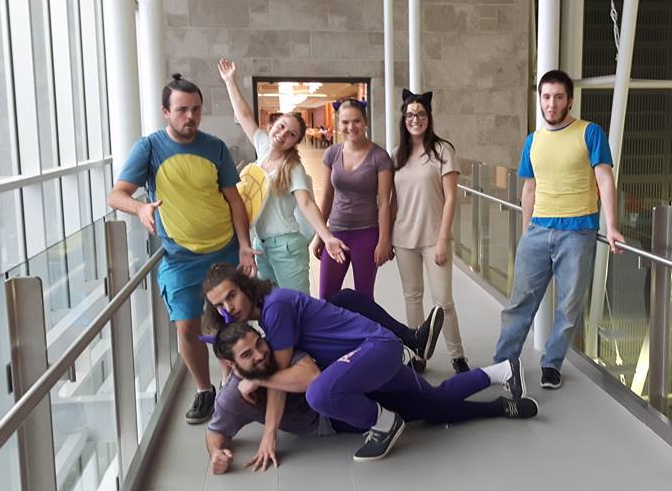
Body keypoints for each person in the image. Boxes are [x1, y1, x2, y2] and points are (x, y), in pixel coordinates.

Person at [202, 264, 528, 462]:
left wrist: (268, 431)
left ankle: (384, 423)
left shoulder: (275, 309)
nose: (228, 308)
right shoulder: (268, 314)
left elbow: (279, 376)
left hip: (374, 350)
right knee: (434, 402)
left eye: (231, 296)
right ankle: (503, 373)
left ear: (245, 287)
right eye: (220, 305)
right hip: (365, 360)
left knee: (319, 393)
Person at [108, 74, 256, 425]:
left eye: (196, 109)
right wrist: (140, 208)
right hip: (181, 257)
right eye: (182, 110)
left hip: (224, 249)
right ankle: (205, 389)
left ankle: (230, 385)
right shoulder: (149, 148)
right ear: (166, 112)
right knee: (187, 327)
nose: (191, 116)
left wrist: (245, 246)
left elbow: (235, 200)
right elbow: (116, 195)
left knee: (228, 321)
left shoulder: (215, 147)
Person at [206, 322, 538, 474]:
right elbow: (215, 432)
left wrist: (258, 378)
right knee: (431, 405)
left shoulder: (282, 354)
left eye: (259, 344)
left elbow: (311, 378)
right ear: (231, 365)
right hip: (334, 421)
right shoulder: (232, 398)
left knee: (432, 402)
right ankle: (499, 387)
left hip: (348, 390)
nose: (260, 355)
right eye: (247, 355)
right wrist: (217, 454)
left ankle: (499, 382)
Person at [493, 69, 626, 390]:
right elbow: (529, 189)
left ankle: (551, 363)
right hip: (538, 231)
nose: (551, 104)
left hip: (577, 233)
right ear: (540, 99)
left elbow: (605, 179)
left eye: (558, 97)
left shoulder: (590, 132)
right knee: (519, 304)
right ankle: (503, 364)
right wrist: (526, 231)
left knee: (568, 306)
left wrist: (611, 226)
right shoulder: (533, 141)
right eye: (546, 97)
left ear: (570, 101)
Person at [217, 59, 349, 293]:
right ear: (272, 125)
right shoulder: (263, 146)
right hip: (261, 245)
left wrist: (327, 237)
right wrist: (230, 81)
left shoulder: (293, 167)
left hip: (287, 247)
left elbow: (306, 204)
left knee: (297, 305)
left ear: (295, 142)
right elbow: (244, 116)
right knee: (271, 303)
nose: (283, 134)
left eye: (291, 134)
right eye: (281, 127)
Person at [391, 89, 468, 374]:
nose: (415, 119)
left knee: (443, 301)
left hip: (435, 238)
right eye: (410, 114)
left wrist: (444, 240)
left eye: (421, 114)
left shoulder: (443, 151)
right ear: (403, 119)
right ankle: (418, 354)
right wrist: (386, 238)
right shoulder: (396, 155)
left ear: (429, 117)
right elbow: (391, 201)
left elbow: (451, 197)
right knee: (412, 297)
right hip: (403, 238)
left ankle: (458, 356)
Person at [311, 99, 394, 300]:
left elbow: (384, 202)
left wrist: (384, 240)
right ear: (338, 123)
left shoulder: (379, 156)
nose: (351, 127)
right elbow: (327, 197)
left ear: (365, 122)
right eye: (345, 122)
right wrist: (320, 235)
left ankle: (365, 324)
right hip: (335, 233)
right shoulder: (332, 153)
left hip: (366, 234)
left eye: (356, 121)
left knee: (364, 298)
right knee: (326, 297)